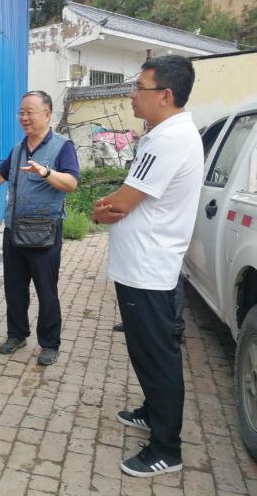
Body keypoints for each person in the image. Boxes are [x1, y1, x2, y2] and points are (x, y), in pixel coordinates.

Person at [92, 55, 202, 477]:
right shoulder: (163, 134)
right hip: (140, 266)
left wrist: (102, 210)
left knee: (157, 356)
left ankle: (166, 447)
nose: (132, 95)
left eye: (140, 87)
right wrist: (110, 207)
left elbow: (122, 201)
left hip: (148, 268)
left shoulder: (171, 139)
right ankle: (152, 412)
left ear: (166, 95)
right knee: (145, 350)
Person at [0, 91, 79, 366]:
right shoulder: (18, 149)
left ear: (47, 114)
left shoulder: (62, 146)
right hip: (14, 230)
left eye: (30, 112)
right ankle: (16, 334)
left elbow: (72, 183)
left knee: (46, 291)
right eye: (21, 112)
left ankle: (49, 344)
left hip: (44, 232)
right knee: (14, 288)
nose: (24, 117)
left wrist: (46, 172)